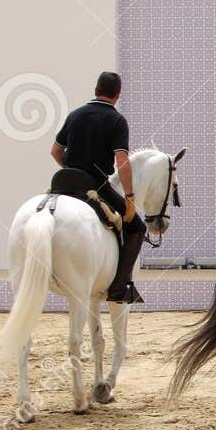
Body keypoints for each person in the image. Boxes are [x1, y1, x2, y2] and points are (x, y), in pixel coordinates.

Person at [50, 71, 146, 304]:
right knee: (137, 227)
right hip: (96, 184)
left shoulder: (75, 115)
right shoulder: (116, 121)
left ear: (95, 90)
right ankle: (119, 287)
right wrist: (130, 197)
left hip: (63, 181)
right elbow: (122, 162)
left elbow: (55, 151)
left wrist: (72, 168)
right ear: (118, 95)